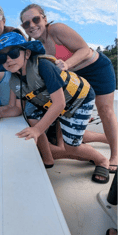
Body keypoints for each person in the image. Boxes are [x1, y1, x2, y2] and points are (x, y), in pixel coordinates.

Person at [0, 32, 110, 183]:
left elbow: (60, 104)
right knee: (32, 116)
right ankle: (48, 159)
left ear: (27, 53)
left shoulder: (44, 66)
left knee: (71, 147)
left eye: (14, 53)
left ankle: (102, 161)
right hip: (53, 103)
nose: (8, 59)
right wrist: (1, 112)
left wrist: (37, 130)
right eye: (2, 57)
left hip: (78, 100)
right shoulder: (14, 80)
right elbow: (15, 108)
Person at [19, 4, 118, 173]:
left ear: (44, 18)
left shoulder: (56, 29)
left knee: (105, 110)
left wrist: (68, 64)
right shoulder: (37, 45)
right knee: (66, 114)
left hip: (96, 69)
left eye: (35, 19)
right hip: (76, 79)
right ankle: (95, 141)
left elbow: (84, 49)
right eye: (26, 24)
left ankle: (115, 155)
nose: (32, 25)